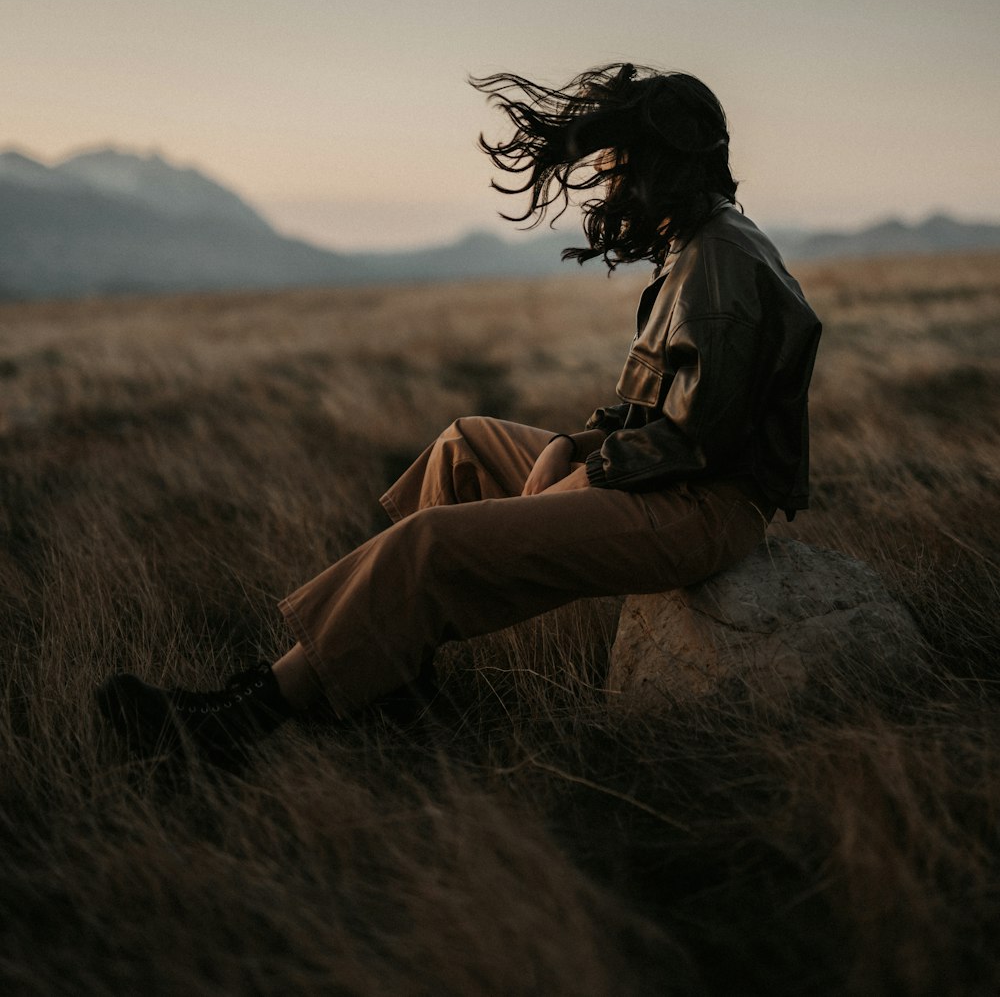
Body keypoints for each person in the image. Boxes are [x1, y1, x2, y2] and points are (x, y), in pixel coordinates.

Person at [97, 62, 822, 771]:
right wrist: (570, 442)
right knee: (465, 443)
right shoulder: (701, 240)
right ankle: (394, 666)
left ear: (665, 163)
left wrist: (586, 473)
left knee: (432, 544)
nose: (610, 181)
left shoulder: (717, 261)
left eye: (622, 163)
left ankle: (245, 715)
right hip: (675, 481)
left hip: (703, 509)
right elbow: (658, 408)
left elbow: (700, 439)